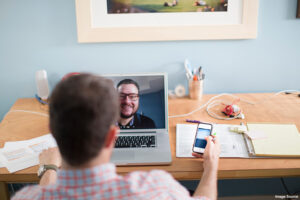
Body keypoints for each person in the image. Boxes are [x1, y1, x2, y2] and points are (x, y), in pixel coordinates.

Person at [12, 73, 220, 200]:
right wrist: (211, 166)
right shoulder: (157, 188)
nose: (127, 101)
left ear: (52, 131)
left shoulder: (26, 197)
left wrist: (48, 169)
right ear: (112, 136)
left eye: (133, 97)